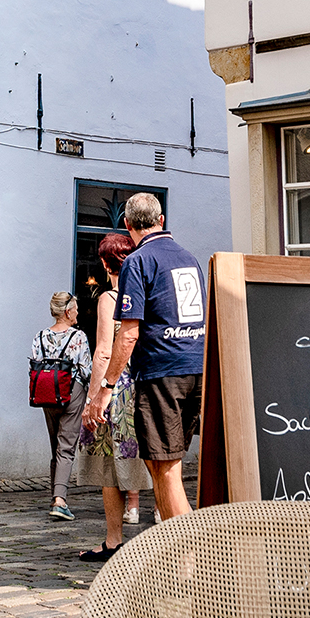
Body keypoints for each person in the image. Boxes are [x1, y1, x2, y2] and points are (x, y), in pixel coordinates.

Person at [91, 192, 206, 527]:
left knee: (165, 470)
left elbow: (128, 334)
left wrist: (106, 387)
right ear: (161, 220)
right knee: (165, 466)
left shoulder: (138, 261)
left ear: (127, 224)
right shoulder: (188, 258)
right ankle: (175, 545)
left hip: (162, 373)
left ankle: (193, 549)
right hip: (197, 367)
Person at [75, 233, 151, 560]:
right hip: (146, 385)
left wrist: (94, 398)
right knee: (155, 463)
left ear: (106, 266)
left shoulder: (110, 297)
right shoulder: (146, 292)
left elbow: (104, 351)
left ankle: (113, 540)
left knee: (109, 466)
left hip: (117, 390)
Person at [33, 292, 93, 522]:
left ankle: (55, 496)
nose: (78, 312)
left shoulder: (40, 336)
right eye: (75, 308)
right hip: (71, 392)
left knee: (55, 446)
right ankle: (60, 501)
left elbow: (34, 362)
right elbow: (86, 370)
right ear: (67, 312)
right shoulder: (78, 337)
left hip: (47, 393)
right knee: (66, 447)